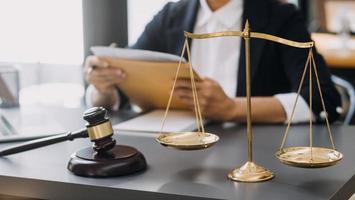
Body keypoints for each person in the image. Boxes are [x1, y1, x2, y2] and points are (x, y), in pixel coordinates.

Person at [84, 0, 341, 123]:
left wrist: (232, 108)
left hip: (254, 157)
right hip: (178, 153)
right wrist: (102, 88)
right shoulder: (171, 15)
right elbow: (124, 86)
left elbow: (323, 98)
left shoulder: (280, 16)